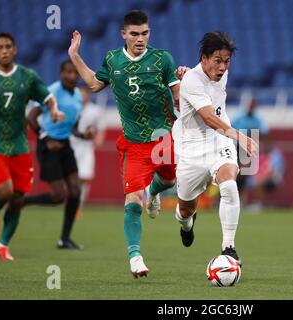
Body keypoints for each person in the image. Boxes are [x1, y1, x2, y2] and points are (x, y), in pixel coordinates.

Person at [68, 10, 181, 278]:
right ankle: (135, 257)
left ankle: (154, 192)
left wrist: (183, 96)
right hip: (132, 144)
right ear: (124, 34)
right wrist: (74, 55)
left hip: (163, 137)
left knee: (168, 182)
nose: (140, 38)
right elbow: (95, 85)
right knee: (132, 200)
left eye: (144, 33)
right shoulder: (113, 60)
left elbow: (177, 95)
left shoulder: (162, 59)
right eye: (134, 34)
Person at [172, 31, 259, 266]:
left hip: (219, 140)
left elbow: (215, 121)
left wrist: (231, 136)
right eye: (217, 60)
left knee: (229, 184)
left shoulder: (221, 74)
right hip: (192, 147)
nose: (222, 67)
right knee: (186, 209)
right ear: (204, 58)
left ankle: (228, 248)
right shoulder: (191, 81)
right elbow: (209, 117)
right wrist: (240, 136)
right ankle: (186, 223)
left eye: (227, 61)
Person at [0, 33, 62, 261]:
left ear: (15, 49)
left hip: (20, 145)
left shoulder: (27, 76)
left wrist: (53, 110)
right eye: (0, 47)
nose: (4, 50)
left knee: (17, 199)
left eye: (8, 46)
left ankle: (3, 246)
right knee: (5, 191)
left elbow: (47, 97)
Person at [23, 60, 90, 249]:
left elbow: (73, 127)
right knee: (59, 196)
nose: (71, 76)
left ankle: (64, 239)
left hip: (64, 145)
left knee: (76, 190)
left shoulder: (78, 96)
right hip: (48, 146)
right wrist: (45, 139)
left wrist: (84, 135)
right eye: (67, 72)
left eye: (74, 73)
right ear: (61, 74)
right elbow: (31, 117)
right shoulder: (51, 92)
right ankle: (23, 201)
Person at [70, 85, 106, 217]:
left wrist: (98, 139)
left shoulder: (95, 111)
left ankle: (78, 207)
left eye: (84, 93)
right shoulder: (71, 108)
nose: (82, 96)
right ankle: (70, 203)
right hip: (71, 145)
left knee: (84, 177)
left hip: (86, 147)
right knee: (71, 178)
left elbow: (101, 128)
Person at [231, 98, 269, 207]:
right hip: (237, 145)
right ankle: (235, 198)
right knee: (238, 172)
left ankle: (240, 199)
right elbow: (229, 127)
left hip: (248, 147)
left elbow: (264, 132)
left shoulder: (258, 119)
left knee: (244, 174)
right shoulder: (239, 116)